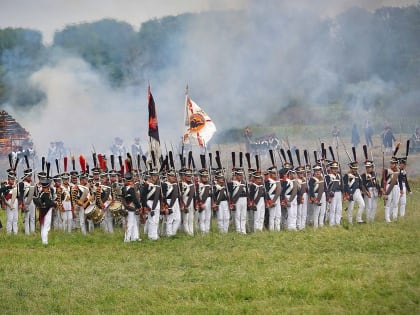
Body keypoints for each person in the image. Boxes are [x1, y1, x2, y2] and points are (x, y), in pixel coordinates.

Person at [228, 168, 248, 234]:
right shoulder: (231, 183)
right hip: (237, 200)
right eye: (239, 175)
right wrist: (231, 203)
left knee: (243, 216)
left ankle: (243, 230)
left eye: (241, 175)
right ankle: (238, 230)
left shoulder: (244, 183)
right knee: (237, 216)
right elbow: (230, 194)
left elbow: (247, 192)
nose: (241, 176)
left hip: (244, 199)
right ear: (236, 175)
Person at [18, 168, 36, 235]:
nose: (30, 177)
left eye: (30, 176)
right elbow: (21, 194)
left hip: (32, 201)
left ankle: (32, 231)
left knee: (33, 217)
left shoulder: (32, 183)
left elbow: (35, 194)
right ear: (25, 176)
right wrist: (21, 203)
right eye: (29, 176)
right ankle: (27, 233)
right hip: (26, 200)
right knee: (26, 217)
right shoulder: (22, 184)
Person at [0, 170, 19, 234]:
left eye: (13, 179)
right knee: (10, 218)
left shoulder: (16, 185)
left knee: (15, 218)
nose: (12, 180)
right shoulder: (5, 185)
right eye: (11, 179)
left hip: (15, 201)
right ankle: (9, 232)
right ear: (8, 178)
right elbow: (2, 195)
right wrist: (4, 204)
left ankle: (15, 232)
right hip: (8, 201)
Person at [382, 156, 400, 222]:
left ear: (396, 164)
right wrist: (383, 189)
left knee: (395, 203)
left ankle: (395, 218)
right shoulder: (387, 171)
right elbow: (383, 180)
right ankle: (387, 219)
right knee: (388, 203)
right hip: (388, 186)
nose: (391, 164)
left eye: (393, 163)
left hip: (396, 187)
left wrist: (400, 189)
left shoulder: (398, 171)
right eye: (391, 163)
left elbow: (400, 181)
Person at [325, 161, 343, 226]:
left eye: (336, 168)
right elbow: (326, 188)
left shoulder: (339, 176)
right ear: (331, 169)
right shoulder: (328, 176)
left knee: (339, 209)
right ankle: (331, 224)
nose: (335, 170)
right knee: (332, 209)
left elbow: (341, 186)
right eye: (334, 168)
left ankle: (337, 222)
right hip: (332, 194)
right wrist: (328, 197)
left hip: (339, 193)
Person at [196, 169, 212, 234]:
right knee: (202, 218)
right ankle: (203, 232)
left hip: (209, 201)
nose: (205, 178)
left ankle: (207, 231)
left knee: (208, 217)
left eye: (206, 176)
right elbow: (197, 195)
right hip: (202, 202)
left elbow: (211, 194)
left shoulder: (209, 185)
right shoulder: (198, 185)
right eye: (204, 177)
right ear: (200, 177)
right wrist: (200, 203)